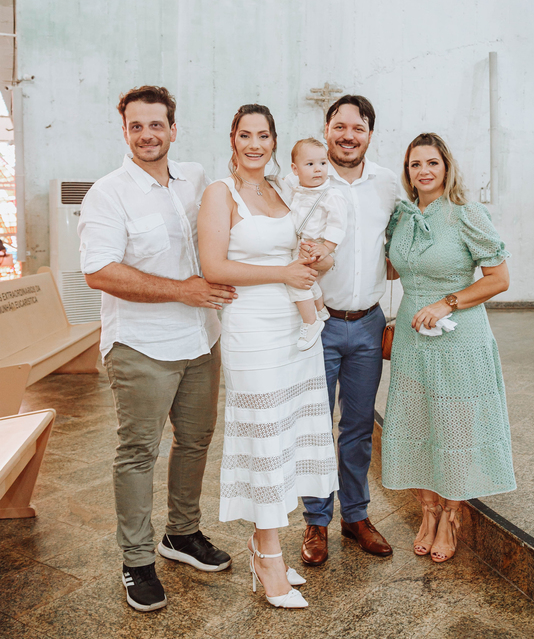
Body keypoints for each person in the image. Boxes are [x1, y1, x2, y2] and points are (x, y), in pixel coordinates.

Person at [79, 85, 234, 612]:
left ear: (173, 127)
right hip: (141, 346)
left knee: (195, 440)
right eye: (136, 126)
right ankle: (138, 561)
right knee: (138, 452)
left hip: (201, 338)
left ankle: (182, 535)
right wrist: (181, 289)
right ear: (124, 131)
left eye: (156, 124)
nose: (148, 134)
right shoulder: (108, 193)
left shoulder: (195, 178)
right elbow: (99, 271)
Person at [197, 104, 339, 609]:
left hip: (293, 326)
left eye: (263, 135)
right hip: (253, 328)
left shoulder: (281, 189)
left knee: (288, 434)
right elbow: (214, 265)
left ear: (275, 141)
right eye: (245, 135)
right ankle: (272, 560)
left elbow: (301, 247)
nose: (254, 144)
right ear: (232, 139)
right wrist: (283, 275)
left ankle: (264, 545)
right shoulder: (221, 193)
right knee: (264, 437)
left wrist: (319, 257)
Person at [380, 132, 514, 563]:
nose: (424, 171)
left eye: (432, 163)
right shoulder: (400, 217)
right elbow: (391, 269)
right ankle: (429, 511)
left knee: (454, 427)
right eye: (415, 164)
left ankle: (452, 515)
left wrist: (446, 302)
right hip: (411, 339)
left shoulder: (465, 214)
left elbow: (499, 278)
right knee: (418, 423)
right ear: (408, 171)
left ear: (446, 167)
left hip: (458, 334)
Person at [282, 94, 400, 566]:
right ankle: (316, 522)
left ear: (370, 134)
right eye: (340, 126)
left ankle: (355, 515)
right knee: (314, 424)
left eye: (359, 127)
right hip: (320, 321)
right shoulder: (304, 182)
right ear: (326, 128)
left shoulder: (387, 183)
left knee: (355, 426)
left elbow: (396, 240)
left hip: (368, 323)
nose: (348, 135)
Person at [284, 137, 347, 350]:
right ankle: (320, 309)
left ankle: (310, 322)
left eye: (322, 163)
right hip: (301, 243)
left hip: (318, 245)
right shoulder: (296, 189)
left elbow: (338, 224)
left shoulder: (331, 195)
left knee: (296, 282)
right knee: (310, 282)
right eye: (310, 164)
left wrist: (326, 248)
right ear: (295, 169)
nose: (318, 169)